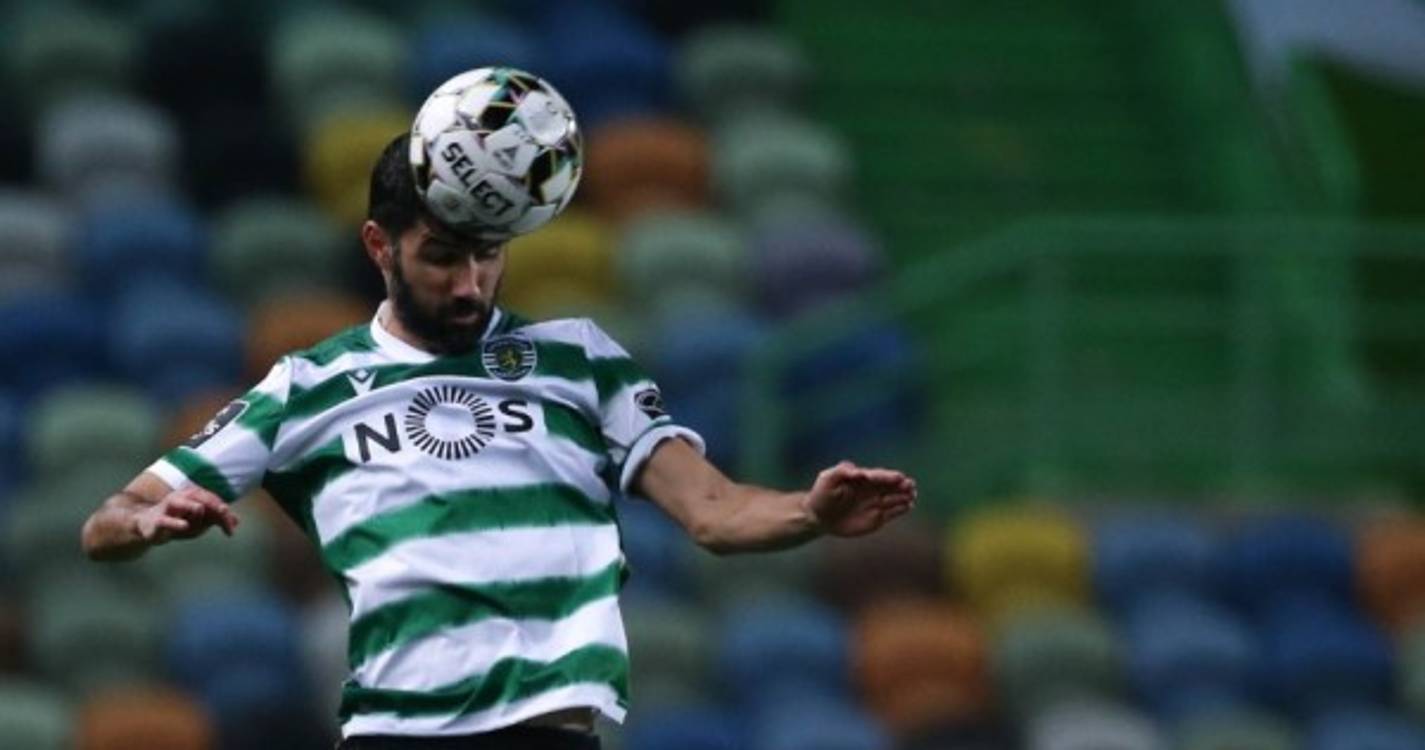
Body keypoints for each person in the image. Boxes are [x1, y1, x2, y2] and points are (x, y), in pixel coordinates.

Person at [81, 133, 918, 749]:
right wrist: (143, 521)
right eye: (442, 257)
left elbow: (713, 510)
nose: (469, 284)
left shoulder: (578, 359)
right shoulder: (308, 386)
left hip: (551, 734)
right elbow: (107, 521)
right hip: (393, 733)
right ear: (379, 246)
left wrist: (808, 513)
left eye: (487, 255)